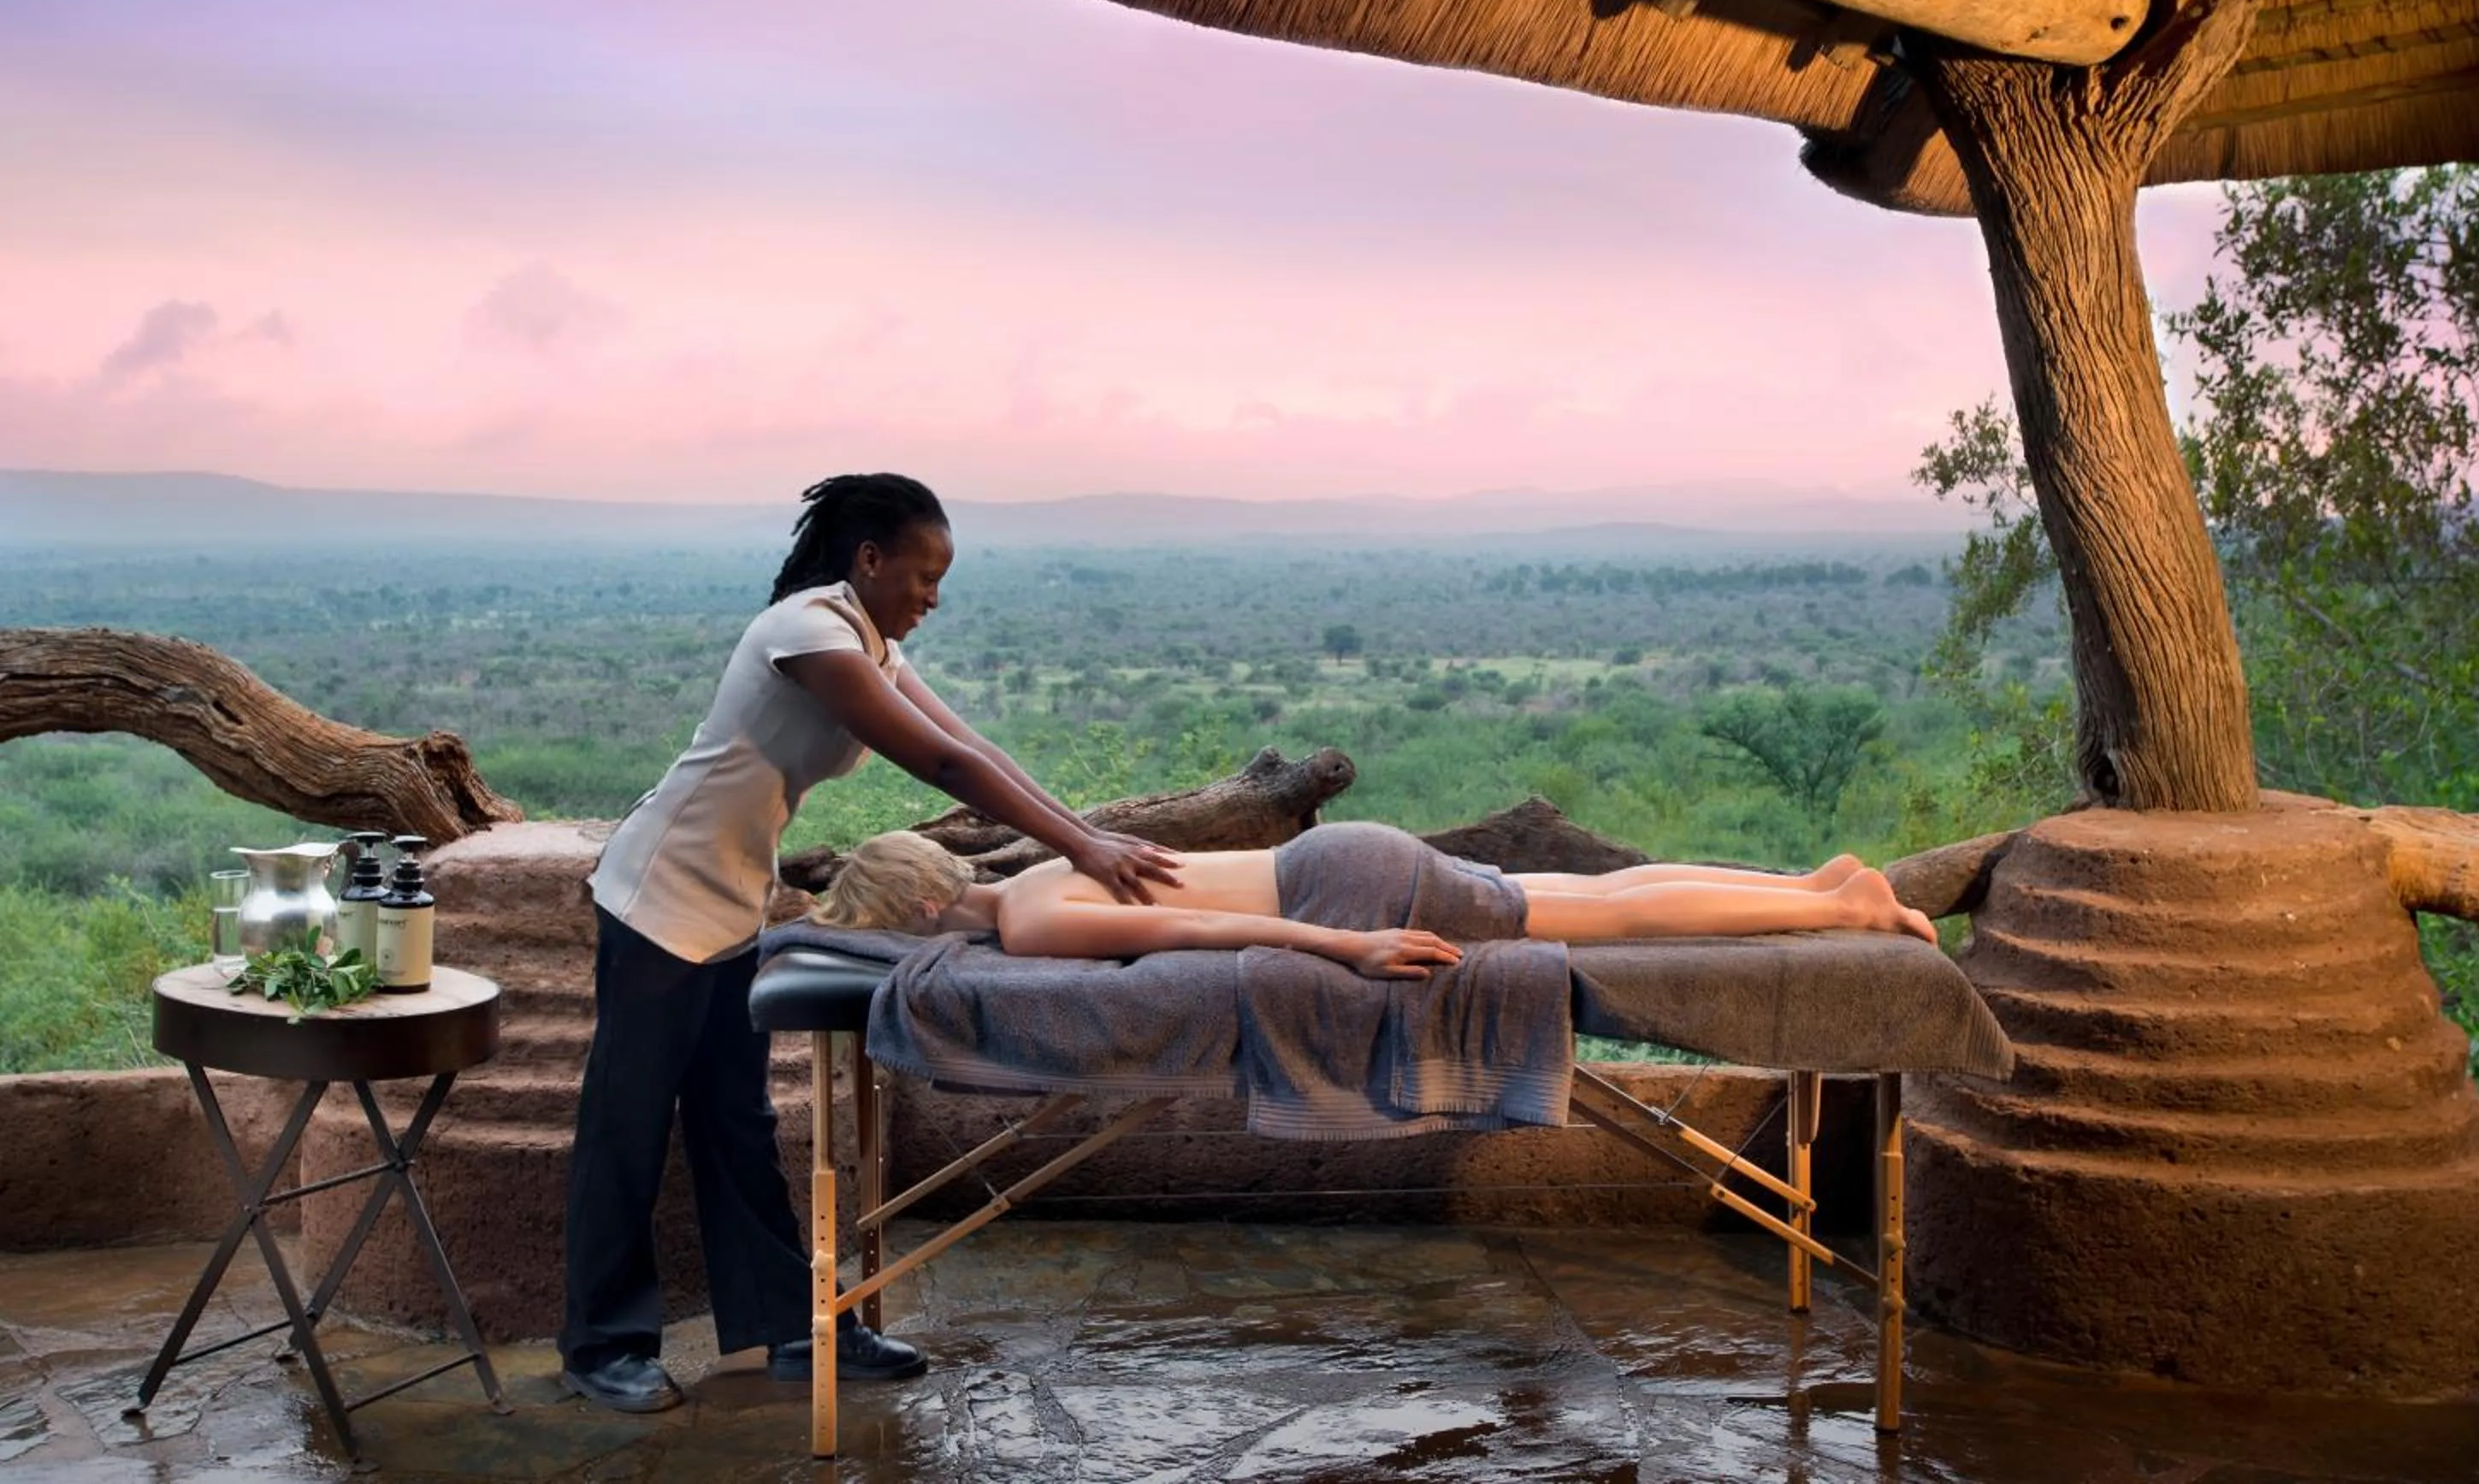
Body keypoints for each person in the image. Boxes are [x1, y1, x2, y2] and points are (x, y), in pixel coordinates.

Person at [559, 473, 1181, 1414]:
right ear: (868, 559)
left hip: (729, 904)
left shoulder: (867, 637)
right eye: (924, 575)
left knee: (738, 1124)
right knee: (628, 1123)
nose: (933, 596)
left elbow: (974, 747)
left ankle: (786, 1328)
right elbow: (939, 764)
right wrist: (1082, 845)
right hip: (656, 898)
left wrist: (1084, 833)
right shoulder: (805, 629)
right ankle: (602, 1344)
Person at [816, 821, 1937, 976]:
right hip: (1346, 854)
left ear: (915, 915)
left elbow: (1202, 926)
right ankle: (1817, 882)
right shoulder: (1040, 869)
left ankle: (1851, 915)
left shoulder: (1031, 919)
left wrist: (1340, 948)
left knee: (1600, 916)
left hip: (1340, 885)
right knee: (1577, 891)